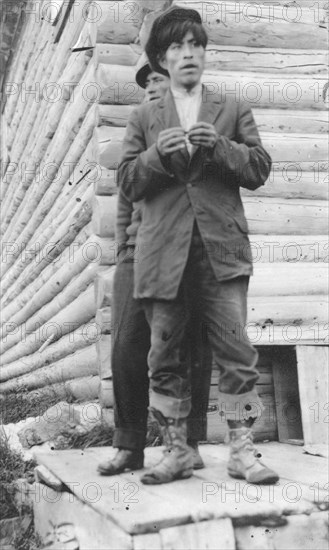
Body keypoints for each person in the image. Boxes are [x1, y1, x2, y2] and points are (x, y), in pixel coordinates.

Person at [118, 7, 279, 485]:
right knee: (163, 357)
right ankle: (177, 451)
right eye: (176, 47)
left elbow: (259, 168)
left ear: (206, 52)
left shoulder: (230, 109)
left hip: (221, 253)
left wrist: (223, 149)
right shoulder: (144, 116)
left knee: (237, 354)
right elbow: (127, 181)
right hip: (163, 256)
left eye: (196, 45)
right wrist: (155, 155)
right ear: (162, 60)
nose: (188, 54)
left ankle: (242, 452)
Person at [97, 57, 212, 476]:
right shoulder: (142, 135)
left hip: (190, 253)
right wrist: (125, 248)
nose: (149, 87)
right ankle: (129, 445)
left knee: (193, 346)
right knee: (127, 344)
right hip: (139, 253)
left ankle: (189, 443)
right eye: (145, 83)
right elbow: (125, 195)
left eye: (158, 80)